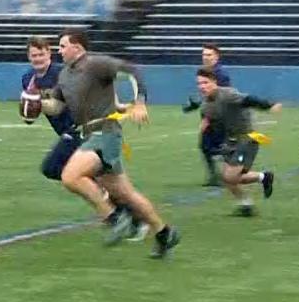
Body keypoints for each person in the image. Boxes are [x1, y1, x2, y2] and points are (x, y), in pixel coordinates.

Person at [43, 29, 181, 257]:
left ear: (77, 47)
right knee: (127, 194)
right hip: (90, 134)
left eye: (62, 46)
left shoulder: (96, 64)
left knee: (70, 176)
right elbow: (57, 106)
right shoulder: (65, 75)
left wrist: (139, 102)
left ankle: (114, 218)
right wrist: (38, 104)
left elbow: (132, 70)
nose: (59, 51)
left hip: (105, 132)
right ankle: (164, 232)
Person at [21, 37, 140, 239]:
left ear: (50, 54)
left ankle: (115, 215)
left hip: (81, 128)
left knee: (54, 167)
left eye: (42, 54)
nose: (38, 59)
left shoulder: (61, 73)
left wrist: (116, 106)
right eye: (34, 55)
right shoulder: (28, 79)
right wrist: (29, 110)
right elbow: (31, 115)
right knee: (96, 178)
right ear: (28, 57)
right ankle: (126, 213)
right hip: (65, 131)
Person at [195, 68, 280, 217]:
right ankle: (249, 199)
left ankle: (261, 180)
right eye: (199, 83)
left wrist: (269, 105)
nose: (202, 86)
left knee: (230, 177)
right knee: (227, 178)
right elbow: (210, 119)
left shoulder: (227, 94)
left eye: (205, 82)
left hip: (248, 137)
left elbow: (249, 99)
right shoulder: (206, 105)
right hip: (231, 140)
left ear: (214, 82)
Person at [183, 43, 232, 186]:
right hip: (211, 113)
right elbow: (207, 95)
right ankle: (215, 177)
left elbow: (221, 96)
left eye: (209, 55)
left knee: (221, 147)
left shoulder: (221, 74)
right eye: (204, 55)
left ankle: (230, 174)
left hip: (219, 116)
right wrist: (196, 104)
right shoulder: (203, 71)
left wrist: (207, 117)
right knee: (206, 146)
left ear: (217, 56)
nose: (206, 57)